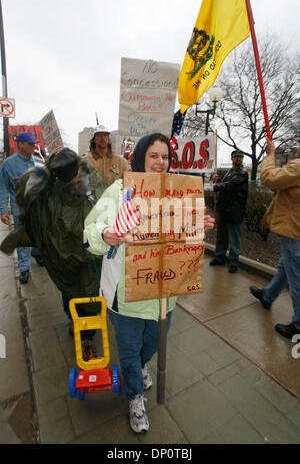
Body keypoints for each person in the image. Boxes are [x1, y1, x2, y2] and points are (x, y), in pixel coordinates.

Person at [83, 132, 215, 433]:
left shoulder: (178, 192)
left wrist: (199, 223)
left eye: (165, 156)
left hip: (163, 294)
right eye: (154, 155)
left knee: (154, 343)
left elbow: (184, 237)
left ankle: (141, 367)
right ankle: (134, 398)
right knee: (129, 353)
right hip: (125, 297)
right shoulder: (119, 192)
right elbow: (90, 231)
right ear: (141, 155)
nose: (160, 162)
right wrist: (106, 235)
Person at [0, 148, 107, 359]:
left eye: (75, 176)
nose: (73, 181)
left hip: (88, 255)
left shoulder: (92, 179)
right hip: (60, 255)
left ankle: (86, 335)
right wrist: (45, 170)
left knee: (89, 294)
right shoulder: (47, 185)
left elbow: (106, 206)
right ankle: (74, 320)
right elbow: (22, 188)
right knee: (68, 291)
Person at [250, 138, 300, 340]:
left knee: (296, 279)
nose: (297, 147)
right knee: (285, 268)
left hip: (294, 232)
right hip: (295, 231)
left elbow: (269, 178)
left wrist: (271, 155)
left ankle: (298, 326)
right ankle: (268, 295)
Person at [0, 131, 44, 283]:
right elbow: (3, 188)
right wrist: (3, 211)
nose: (34, 146)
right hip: (20, 207)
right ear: (20, 144)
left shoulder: (39, 161)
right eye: (30, 143)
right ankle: (24, 268)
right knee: (23, 236)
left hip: (38, 206)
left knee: (39, 232)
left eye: (34, 143)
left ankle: (37, 253)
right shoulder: (8, 165)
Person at [209, 149, 248, 273]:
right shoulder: (230, 172)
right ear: (231, 158)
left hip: (234, 211)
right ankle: (220, 257)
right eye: (236, 157)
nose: (239, 159)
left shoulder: (243, 173)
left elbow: (231, 185)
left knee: (234, 238)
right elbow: (226, 183)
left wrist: (217, 186)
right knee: (222, 236)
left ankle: (234, 262)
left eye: (241, 157)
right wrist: (218, 180)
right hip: (224, 210)